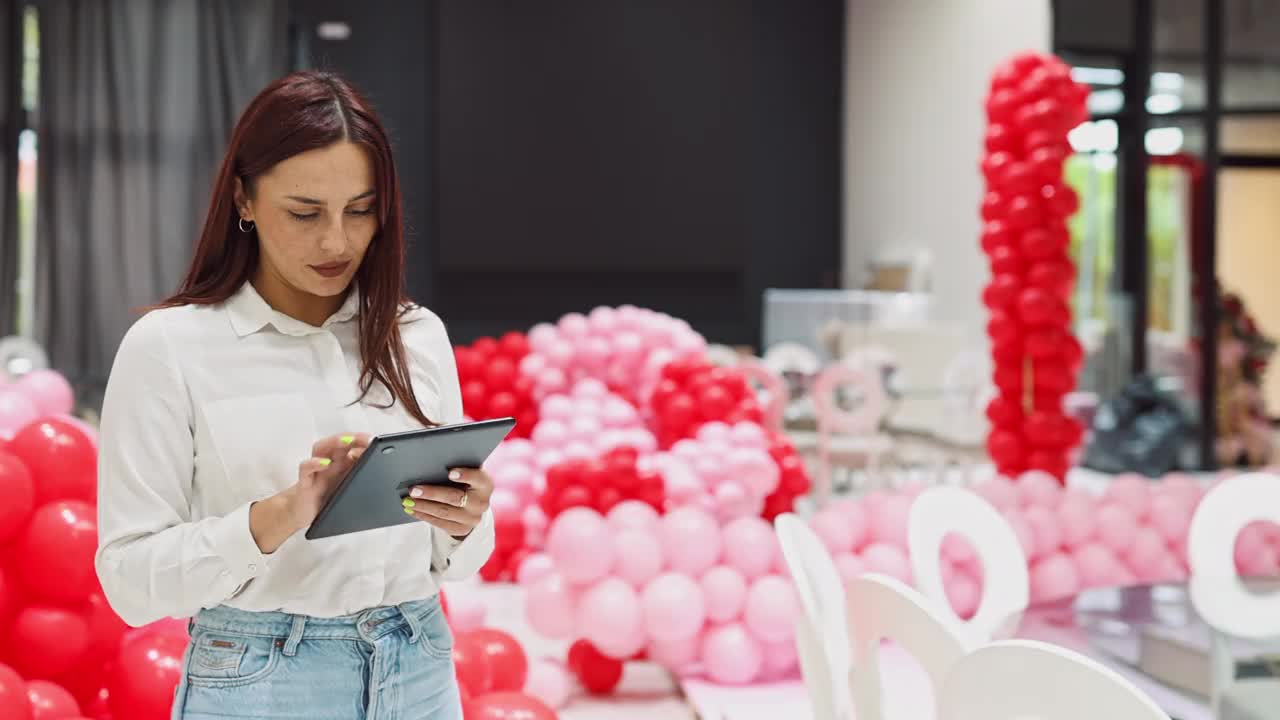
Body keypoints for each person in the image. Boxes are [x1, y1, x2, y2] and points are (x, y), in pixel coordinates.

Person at [94, 71, 494, 720]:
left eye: (360, 210)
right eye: (304, 213)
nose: (336, 242)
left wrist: (466, 520)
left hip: (418, 664)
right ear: (243, 201)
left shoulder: (417, 335)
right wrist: (276, 516)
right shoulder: (168, 347)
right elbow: (129, 586)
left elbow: (459, 562)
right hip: (261, 681)